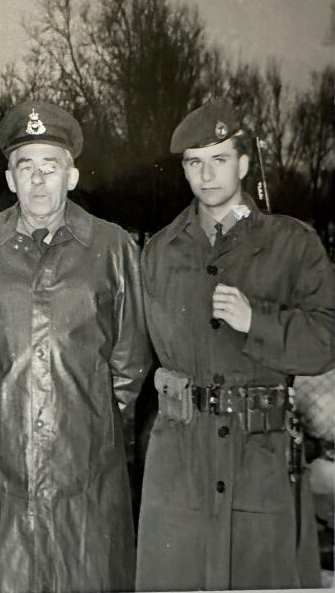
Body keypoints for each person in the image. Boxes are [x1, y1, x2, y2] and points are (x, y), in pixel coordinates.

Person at [0, 102, 150, 593]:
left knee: (86, 573)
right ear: (10, 179)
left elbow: (130, 357)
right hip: (0, 457)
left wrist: (89, 414)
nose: (38, 180)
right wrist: (2, 410)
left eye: (50, 166)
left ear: (71, 176)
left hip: (87, 457)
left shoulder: (113, 247)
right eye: (25, 167)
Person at [135, 102, 334, 590]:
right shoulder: (159, 251)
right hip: (180, 456)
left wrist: (255, 322)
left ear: (243, 164)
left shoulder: (292, 244)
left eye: (219, 159)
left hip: (258, 455)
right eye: (194, 162)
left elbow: (324, 343)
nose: (206, 174)